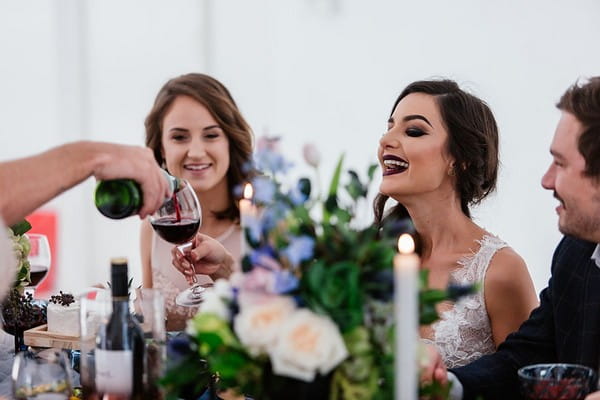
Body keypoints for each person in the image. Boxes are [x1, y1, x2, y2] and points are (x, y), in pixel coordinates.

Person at [421, 76, 600, 400]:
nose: (546, 181)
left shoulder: (502, 265)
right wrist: (448, 385)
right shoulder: (574, 256)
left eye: (560, 163)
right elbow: (525, 356)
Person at [375, 79, 538, 368]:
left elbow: (524, 384)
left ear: (459, 159)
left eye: (413, 131)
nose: (386, 140)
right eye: (390, 127)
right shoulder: (371, 258)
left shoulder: (500, 272)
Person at [140, 73, 253, 331]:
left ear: (230, 141)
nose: (196, 152)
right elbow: (150, 330)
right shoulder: (153, 226)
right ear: (161, 149)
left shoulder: (264, 221)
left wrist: (224, 268)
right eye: (179, 137)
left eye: (211, 135)